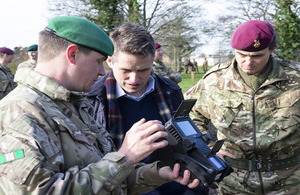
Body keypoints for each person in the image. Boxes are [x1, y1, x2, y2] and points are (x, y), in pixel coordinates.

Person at [0, 16, 200, 194]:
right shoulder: (18, 111)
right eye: (98, 61)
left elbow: (112, 180)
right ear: (73, 54)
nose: (102, 72)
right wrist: (125, 156)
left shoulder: (73, 106)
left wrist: (158, 173)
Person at [87, 23, 208, 195]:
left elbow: (186, 142)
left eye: (144, 70)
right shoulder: (92, 99)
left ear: (153, 61)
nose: (134, 79)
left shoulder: (170, 90)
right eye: (126, 70)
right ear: (110, 61)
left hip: (175, 187)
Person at [185, 20, 300, 194]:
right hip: (233, 182)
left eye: (257, 56)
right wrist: (205, 149)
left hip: (290, 181)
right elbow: (189, 115)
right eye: (241, 55)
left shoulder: (296, 77)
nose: (248, 62)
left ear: (272, 49)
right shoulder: (215, 80)